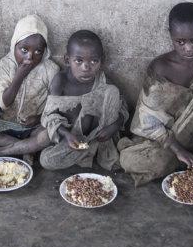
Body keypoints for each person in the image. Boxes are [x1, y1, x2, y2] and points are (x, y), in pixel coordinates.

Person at [117, 3, 193, 184]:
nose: (188, 48)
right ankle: (184, 158)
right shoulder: (160, 68)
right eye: (180, 42)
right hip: (165, 138)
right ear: (171, 35)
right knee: (130, 160)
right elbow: (146, 121)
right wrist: (177, 149)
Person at [0, 14, 57, 161]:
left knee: (49, 134)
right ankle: (25, 148)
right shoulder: (6, 64)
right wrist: (19, 76)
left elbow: (55, 107)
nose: (30, 57)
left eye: (38, 51)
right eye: (24, 50)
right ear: (14, 45)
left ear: (45, 51)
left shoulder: (51, 70)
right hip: (5, 125)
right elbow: (3, 103)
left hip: (34, 127)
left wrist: (39, 118)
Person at [39, 30, 128, 171]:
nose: (86, 67)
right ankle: (86, 153)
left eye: (94, 61)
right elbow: (49, 115)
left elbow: (123, 107)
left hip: (99, 138)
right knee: (46, 160)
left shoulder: (103, 82)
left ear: (102, 60)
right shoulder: (61, 80)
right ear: (67, 60)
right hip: (74, 140)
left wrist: (114, 126)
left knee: (112, 91)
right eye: (79, 61)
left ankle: (94, 152)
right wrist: (66, 134)